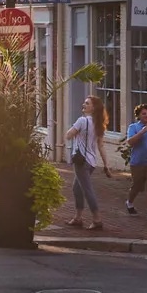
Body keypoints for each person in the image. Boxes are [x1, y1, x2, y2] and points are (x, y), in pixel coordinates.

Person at [63, 95, 107, 231]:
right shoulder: (99, 124)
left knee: (87, 190)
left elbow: (68, 135)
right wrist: (106, 165)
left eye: (87, 103)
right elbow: (100, 146)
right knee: (77, 188)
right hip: (91, 162)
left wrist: (74, 132)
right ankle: (78, 217)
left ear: (93, 108)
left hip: (81, 161)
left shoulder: (82, 121)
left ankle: (97, 219)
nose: (84, 104)